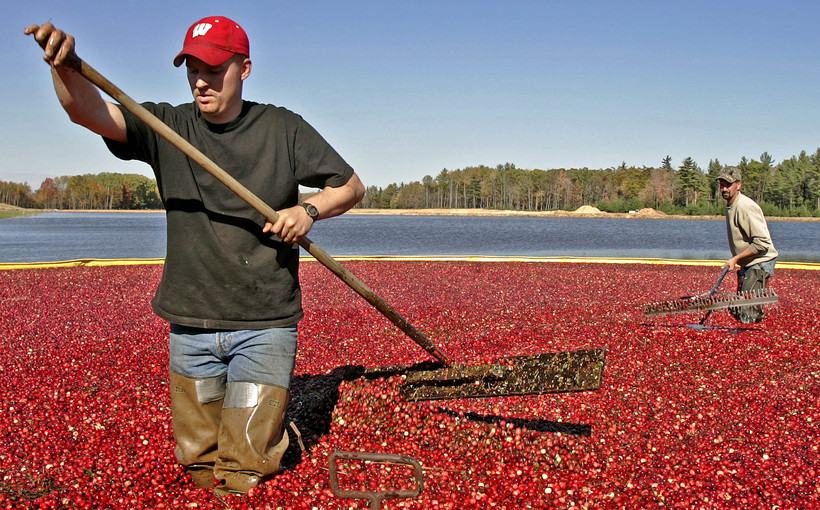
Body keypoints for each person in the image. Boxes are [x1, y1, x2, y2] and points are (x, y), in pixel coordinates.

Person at [25, 16, 365, 495]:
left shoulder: (282, 129)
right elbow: (89, 113)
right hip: (191, 326)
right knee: (199, 467)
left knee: (245, 472)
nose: (201, 80)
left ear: (244, 68)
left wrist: (307, 209)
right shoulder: (166, 125)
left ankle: (261, 450)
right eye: (192, 69)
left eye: (214, 68)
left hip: (264, 323)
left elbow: (350, 187)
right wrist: (65, 69)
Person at [717, 166, 778, 324]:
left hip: (759, 263)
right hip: (749, 263)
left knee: (748, 314)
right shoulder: (732, 205)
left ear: (739, 185)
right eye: (721, 184)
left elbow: (762, 243)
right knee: (741, 308)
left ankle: (757, 339)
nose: (724, 188)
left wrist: (735, 259)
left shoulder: (745, 206)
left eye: (728, 185)